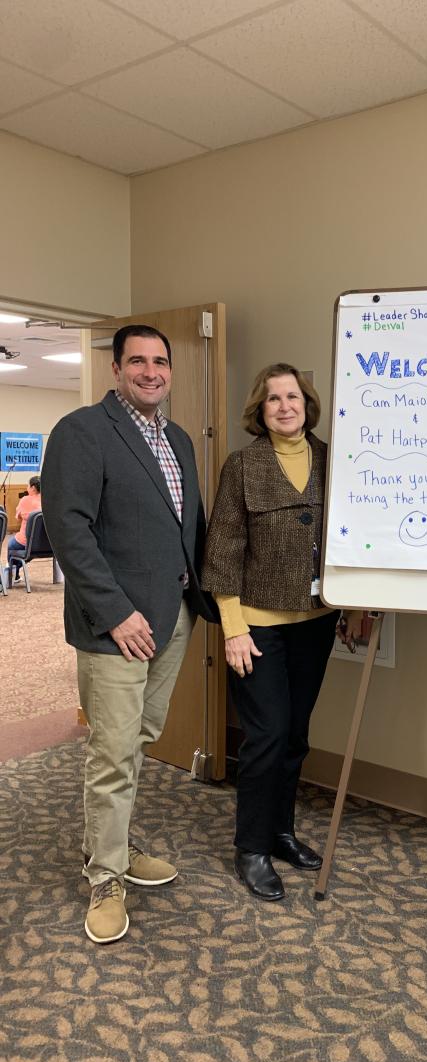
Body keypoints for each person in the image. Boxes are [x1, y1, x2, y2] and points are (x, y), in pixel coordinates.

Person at [41, 324, 215, 944]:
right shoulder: (82, 432)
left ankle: (112, 843)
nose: (151, 371)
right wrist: (115, 612)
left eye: (160, 361)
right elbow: (69, 530)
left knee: (138, 739)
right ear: (116, 368)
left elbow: (187, 528)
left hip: (172, 618)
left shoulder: (178, 440)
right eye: (137, 361)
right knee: (112, 752)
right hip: (116, 627)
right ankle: (106, 874)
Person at [203, 363, 353, 901]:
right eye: (274, 399)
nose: (285, 406)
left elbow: (351, 538)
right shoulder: (242, 465)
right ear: (259, 410)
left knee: (295, 735)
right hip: (257, 625)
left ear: (307, 405)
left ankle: (282, 831)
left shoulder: (335, 461)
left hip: (316, 620)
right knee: (265, 737)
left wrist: (355, 603)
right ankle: (251, 848)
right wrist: (232, 627)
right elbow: (221, 550)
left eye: (293, 397)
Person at [6, 475, 41, 581]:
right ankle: (14, 571)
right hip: (46, 544)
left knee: (11, 544)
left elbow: (18, 517)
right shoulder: (48, 501)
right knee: (28, 551)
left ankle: (13, 574)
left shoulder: (25, 500)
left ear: (33, 488)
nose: (27, 488)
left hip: (26, 542)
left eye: (28, 486)